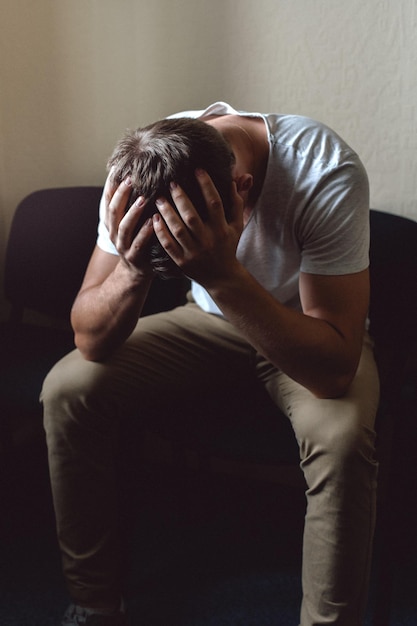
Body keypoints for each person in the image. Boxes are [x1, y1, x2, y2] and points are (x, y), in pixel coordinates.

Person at [41, 102, 380, 626]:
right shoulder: (141, 173)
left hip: (307, 329)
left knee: (342, 436)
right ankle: (94, 602)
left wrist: (222, 275)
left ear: (241, 189)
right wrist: (133, 271)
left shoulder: (322, 169)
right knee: (68, 388)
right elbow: (89, 336)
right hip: (209, 322)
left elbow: (334, 368)